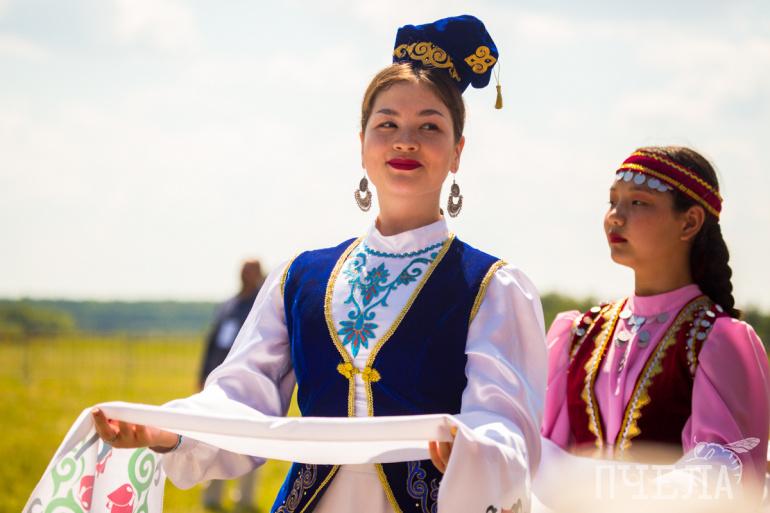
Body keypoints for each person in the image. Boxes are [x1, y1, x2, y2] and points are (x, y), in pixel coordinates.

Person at [92, 15, 547, 513]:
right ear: (362, 143)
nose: (405, 140)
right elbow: (241, 397)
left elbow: (505, 424)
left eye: (430, 126)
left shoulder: (493, 287)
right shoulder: (301, 278)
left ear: (457, 151)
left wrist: (473, 451)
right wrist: (170, 430)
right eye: (387, 124)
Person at [540, 146, 770, 505]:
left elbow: (720, 479)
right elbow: (540, 457)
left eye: (638, 202)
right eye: (612, 201)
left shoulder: (717, 340)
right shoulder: (580, 333)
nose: (616, 217)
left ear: (689, 222)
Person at [199, 259, 265, 511]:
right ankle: (212, 495)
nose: (245, 274)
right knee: (216, 438)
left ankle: (244, 497)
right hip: (218, 383)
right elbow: (212, 341)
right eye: (243, 270)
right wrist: (203, 375)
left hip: (247, 384)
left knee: (250, 440)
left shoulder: (262, 305)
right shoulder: (228, 305)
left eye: (251, 270)